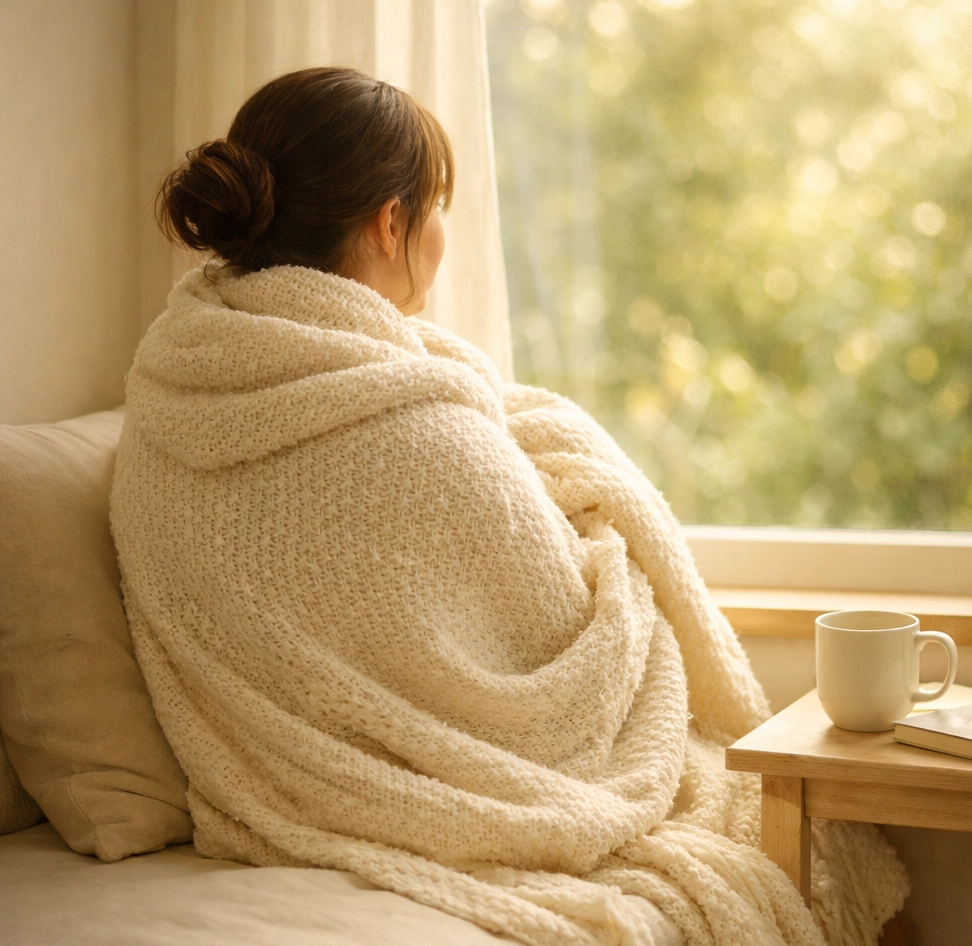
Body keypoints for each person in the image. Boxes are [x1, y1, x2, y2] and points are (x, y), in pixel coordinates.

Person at [111, 66, 909, 946]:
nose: (441, 234)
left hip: (274, 787)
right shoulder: (422, 430)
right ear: (389, 222)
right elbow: (572, 683)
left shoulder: (166, 388)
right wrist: (613, 546)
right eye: (436, 207)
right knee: (814, 847)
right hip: (454, 795)